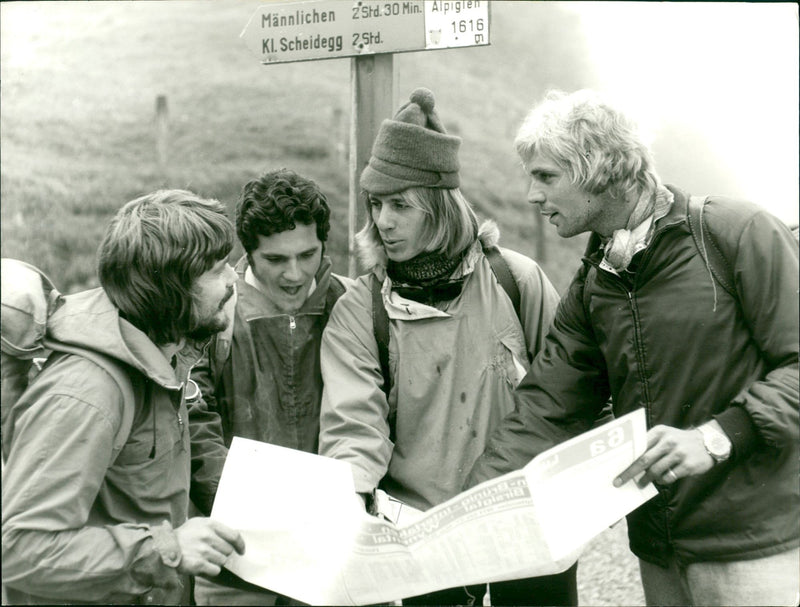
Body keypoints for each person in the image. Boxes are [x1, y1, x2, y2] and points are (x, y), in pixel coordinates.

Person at [465, 89, 799, 607]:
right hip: (658, 551)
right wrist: (468, 510)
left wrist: (715, 437)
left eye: (546, 176)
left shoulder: (738, 232)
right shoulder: (595, 279)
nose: (531, 195)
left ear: (604, 170)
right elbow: (545, 407)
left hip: (756, 549)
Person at [318, 88, 575, 606]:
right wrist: (349, 492)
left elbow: (567, 392)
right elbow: (355, 425)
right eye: (376, 204)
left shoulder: (515, 281)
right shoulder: (360, 311)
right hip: (423, 539)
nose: (384, 221)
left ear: (439, 205)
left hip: (524, 526)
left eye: (400, 205)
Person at [1, 190, 246, 604]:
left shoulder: (160, 351)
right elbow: (19, 548)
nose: (233, 279)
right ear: (172, 291)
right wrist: (166, 550)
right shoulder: (88, 392)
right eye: (217, 269)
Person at [188, 168, 351, 606]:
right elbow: (194, 428)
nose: (295, 274)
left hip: (336, 562)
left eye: (308, 254)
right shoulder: (214, 314)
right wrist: (259, 518)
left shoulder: (354, 307)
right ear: (249, 254)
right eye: (276, 260)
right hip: (238, 568)